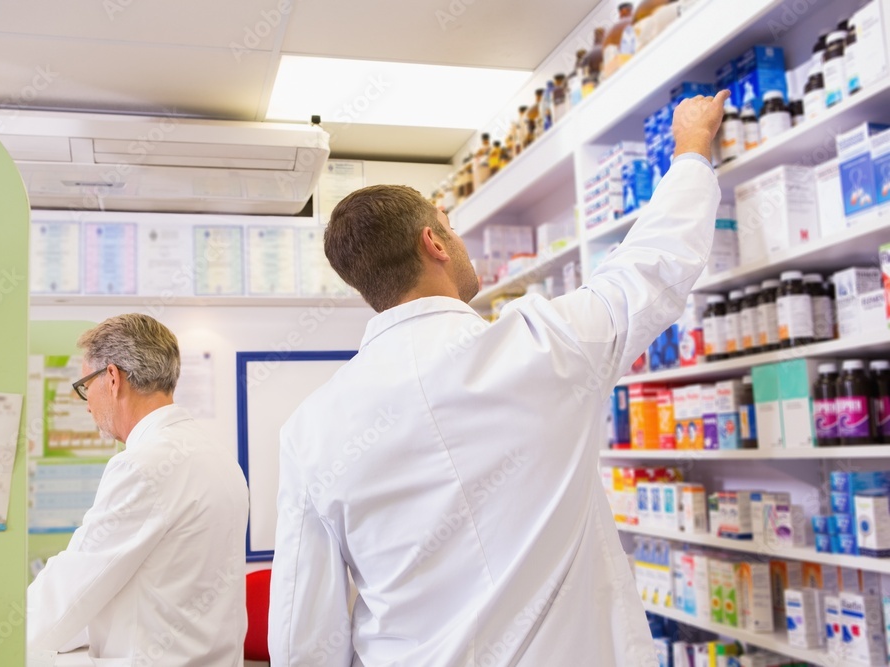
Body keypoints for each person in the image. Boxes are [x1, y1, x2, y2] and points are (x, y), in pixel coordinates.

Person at [268, 92, 728, 666]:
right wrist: (690, 148)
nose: (456, 239)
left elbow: (301, 632)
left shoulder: (311, 429)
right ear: (433, 243)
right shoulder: (543, 344)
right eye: (449, 226)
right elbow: (653, 267)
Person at [27, 313, 249, 667]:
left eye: (86, 385)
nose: (86, 403)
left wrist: (4, 637)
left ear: (112, 378)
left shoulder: (143, 464)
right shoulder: (218, 455)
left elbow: (75, 583)